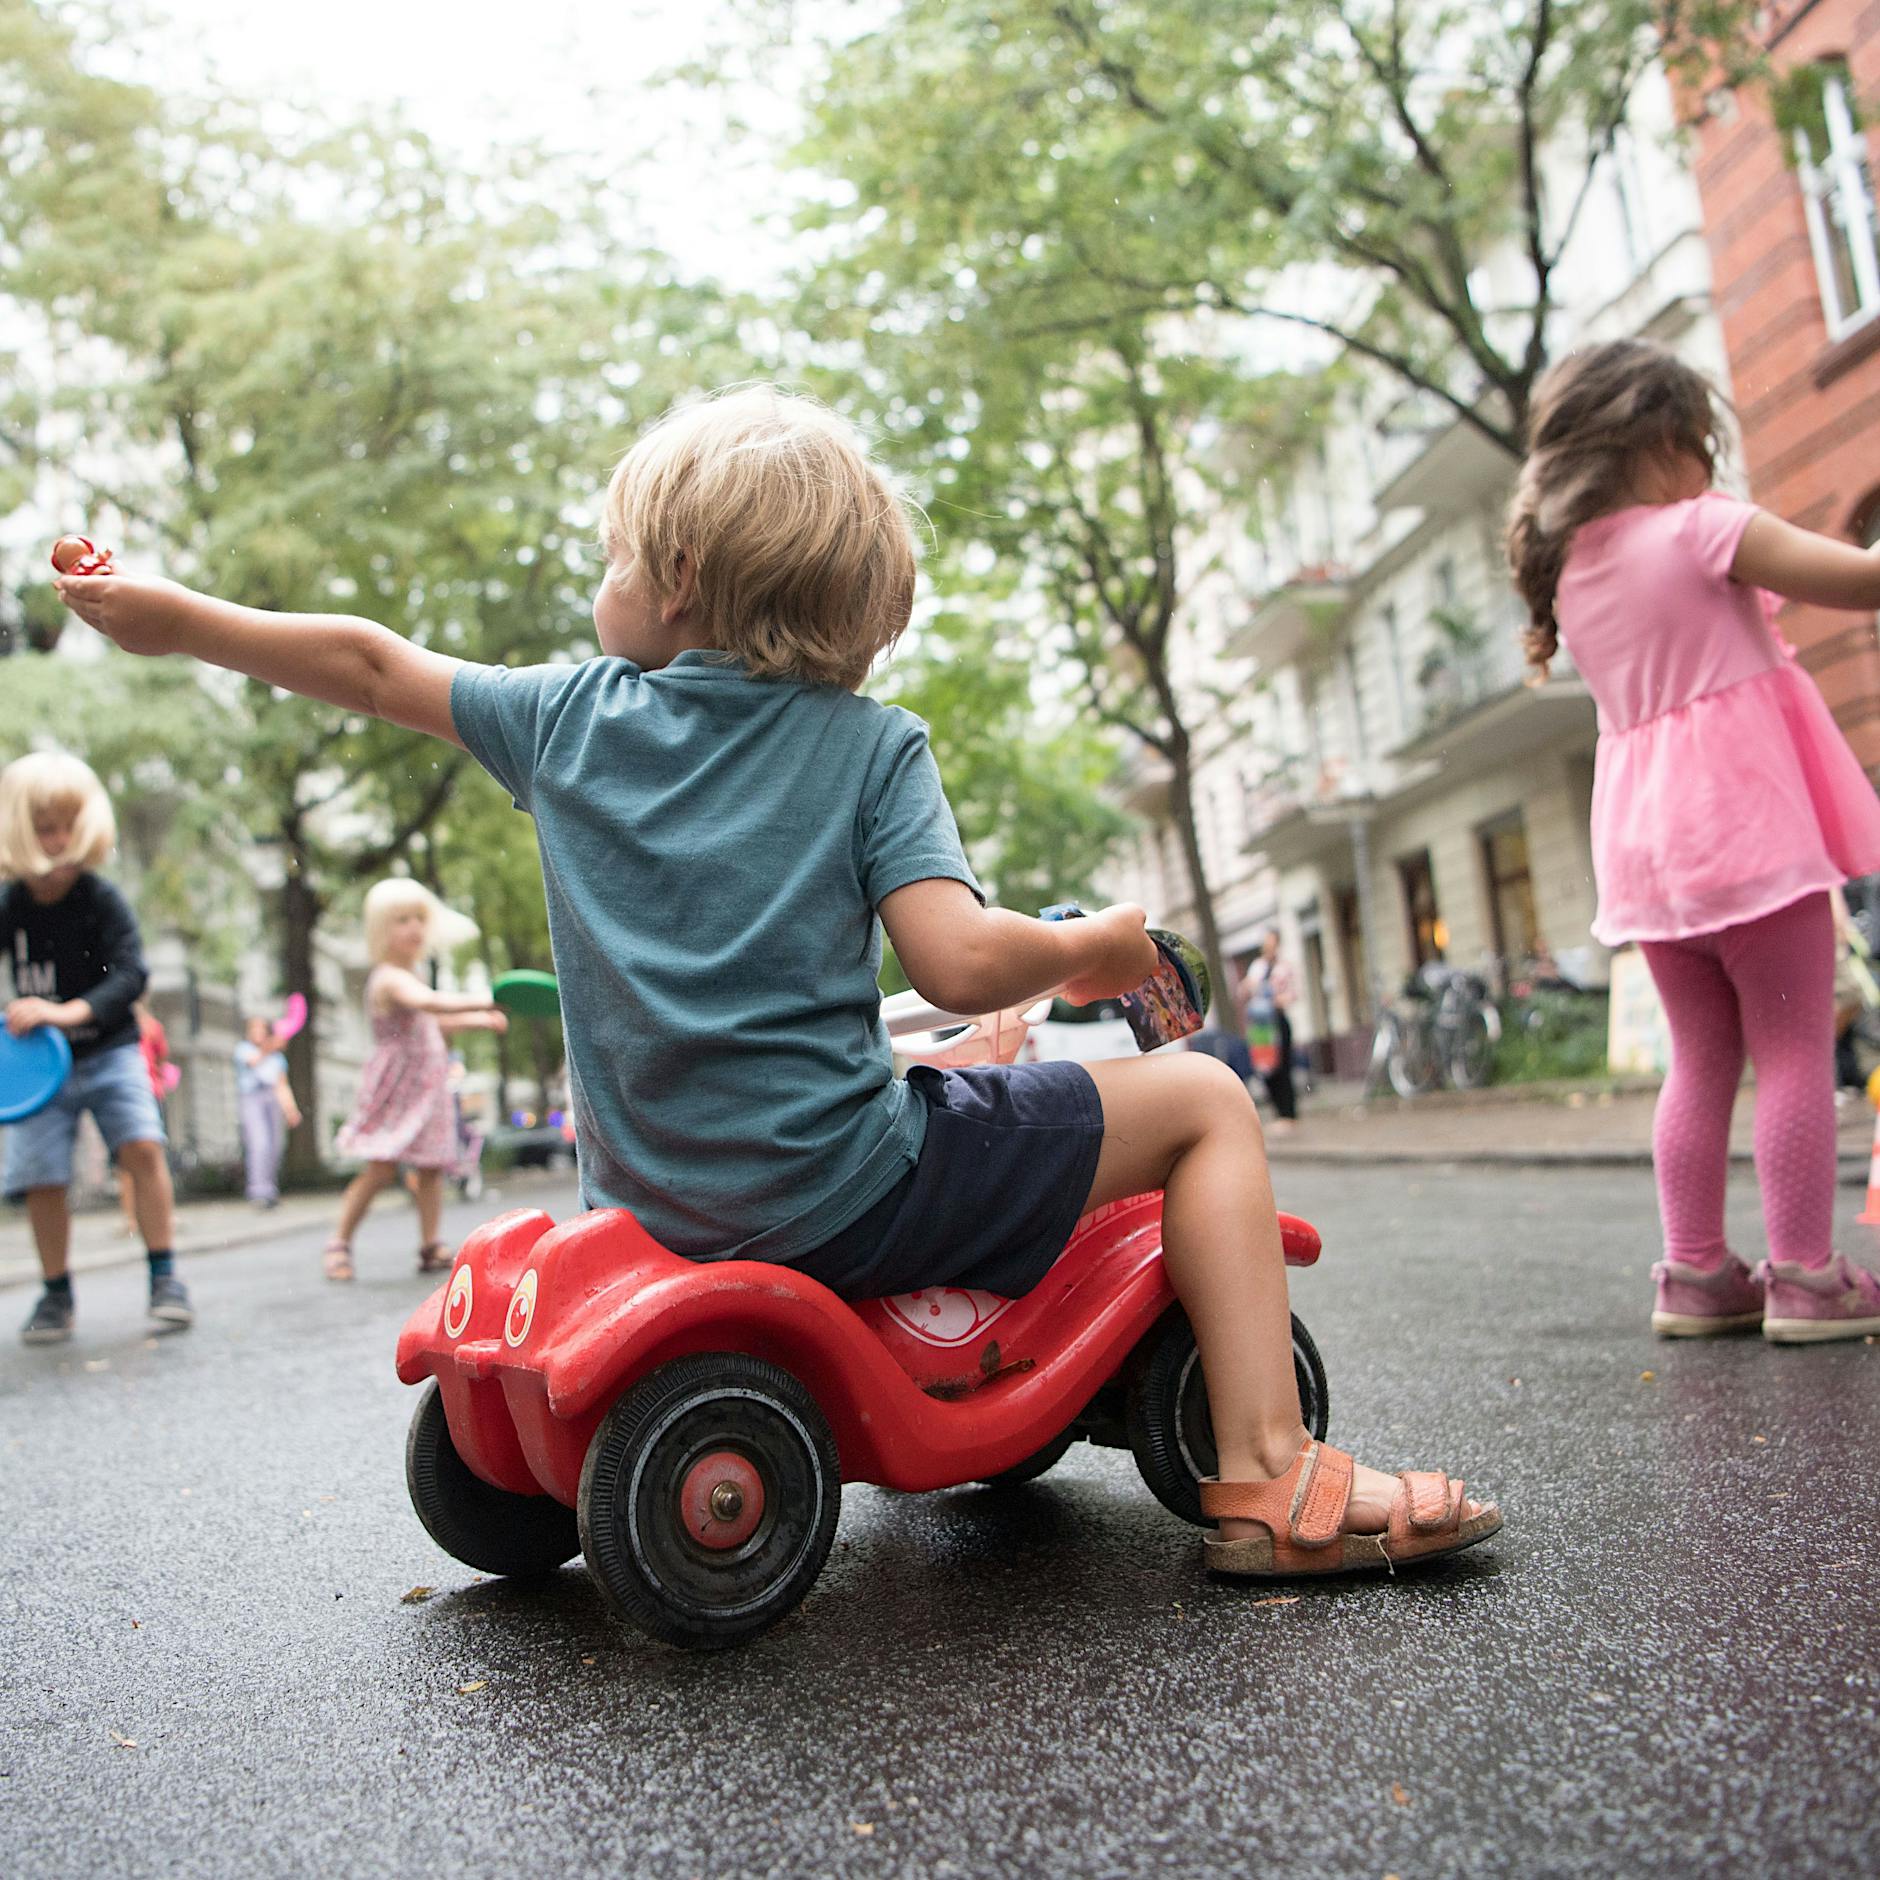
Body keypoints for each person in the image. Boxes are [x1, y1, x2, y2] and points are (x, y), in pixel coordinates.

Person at [54, 386, 1497, 1577]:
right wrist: (1100, 946)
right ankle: (1267, 1469)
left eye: (616, 559)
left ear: (679, 584)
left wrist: (169, 615)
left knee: (954, 1083)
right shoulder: (871, 748)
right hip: (838, 1190)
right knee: (1198, 1103)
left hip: (648, 1199)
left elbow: (369, 666)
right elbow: (959, 961)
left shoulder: (564, 720)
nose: (599, 585)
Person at [1507, 337, 1880, 1344]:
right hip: (1746, 826)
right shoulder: (1701, 528)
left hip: (1646, 846)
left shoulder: (1573, 568)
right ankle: (1805, 1276)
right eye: (1702, 445)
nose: (1711, 468)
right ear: (1665, 440)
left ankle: (1695, 1273)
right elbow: (1858, 581)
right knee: (1796, 1044)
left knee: (1701, 1055)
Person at [0, 752, 191, 1343]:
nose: (56, 843)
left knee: (142, 1147)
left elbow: (132, 974)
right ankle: (55, 1294)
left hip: (110, 1050)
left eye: (65, 827)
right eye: (43, 829)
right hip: (38, 1068)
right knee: (41, 1175)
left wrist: (67, 1012)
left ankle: (165, 1277)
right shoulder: (10, 906)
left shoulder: (99, 898)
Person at [320, 880, 507, 1281]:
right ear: (380, 930)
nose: (414, 927)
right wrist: (485, 998)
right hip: (399, 1085)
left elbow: (433, 1021)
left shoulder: (413, 972)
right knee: (381, 1167)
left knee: (430, 1166)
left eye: (420, 919)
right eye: (401, 920)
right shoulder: (389, 977)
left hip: (426, 1085)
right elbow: (428, 1002)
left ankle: (429, 1244)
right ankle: (339, 1242)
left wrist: (478, 1020)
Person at [234, 1013, 300, 1208]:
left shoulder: (278, 1058)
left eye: (261, 1029)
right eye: (254, 1029)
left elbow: (282, 1085)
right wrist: (271, 1045)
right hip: (252, 1098)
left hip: (272, 1099)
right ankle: (257, 1191)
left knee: (274, 1146)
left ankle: (270, 1189)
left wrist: (291, 1110)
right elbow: (253, 1062)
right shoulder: (243, 1050)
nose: (258, 1033)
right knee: (259, 1143)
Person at [1243, 928, 1299, 1134]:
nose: (1269, 946)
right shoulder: (1257, 967)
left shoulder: (1285, 967)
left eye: (1272, 942)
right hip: (1260, 1023)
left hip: (1277, 1020)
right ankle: (1278, 1113)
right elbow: (1248, 989)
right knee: (1266, 1068)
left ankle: (1289, 1115)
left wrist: (1277, 1000)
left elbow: (1293, 993)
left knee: (1283, 1066)